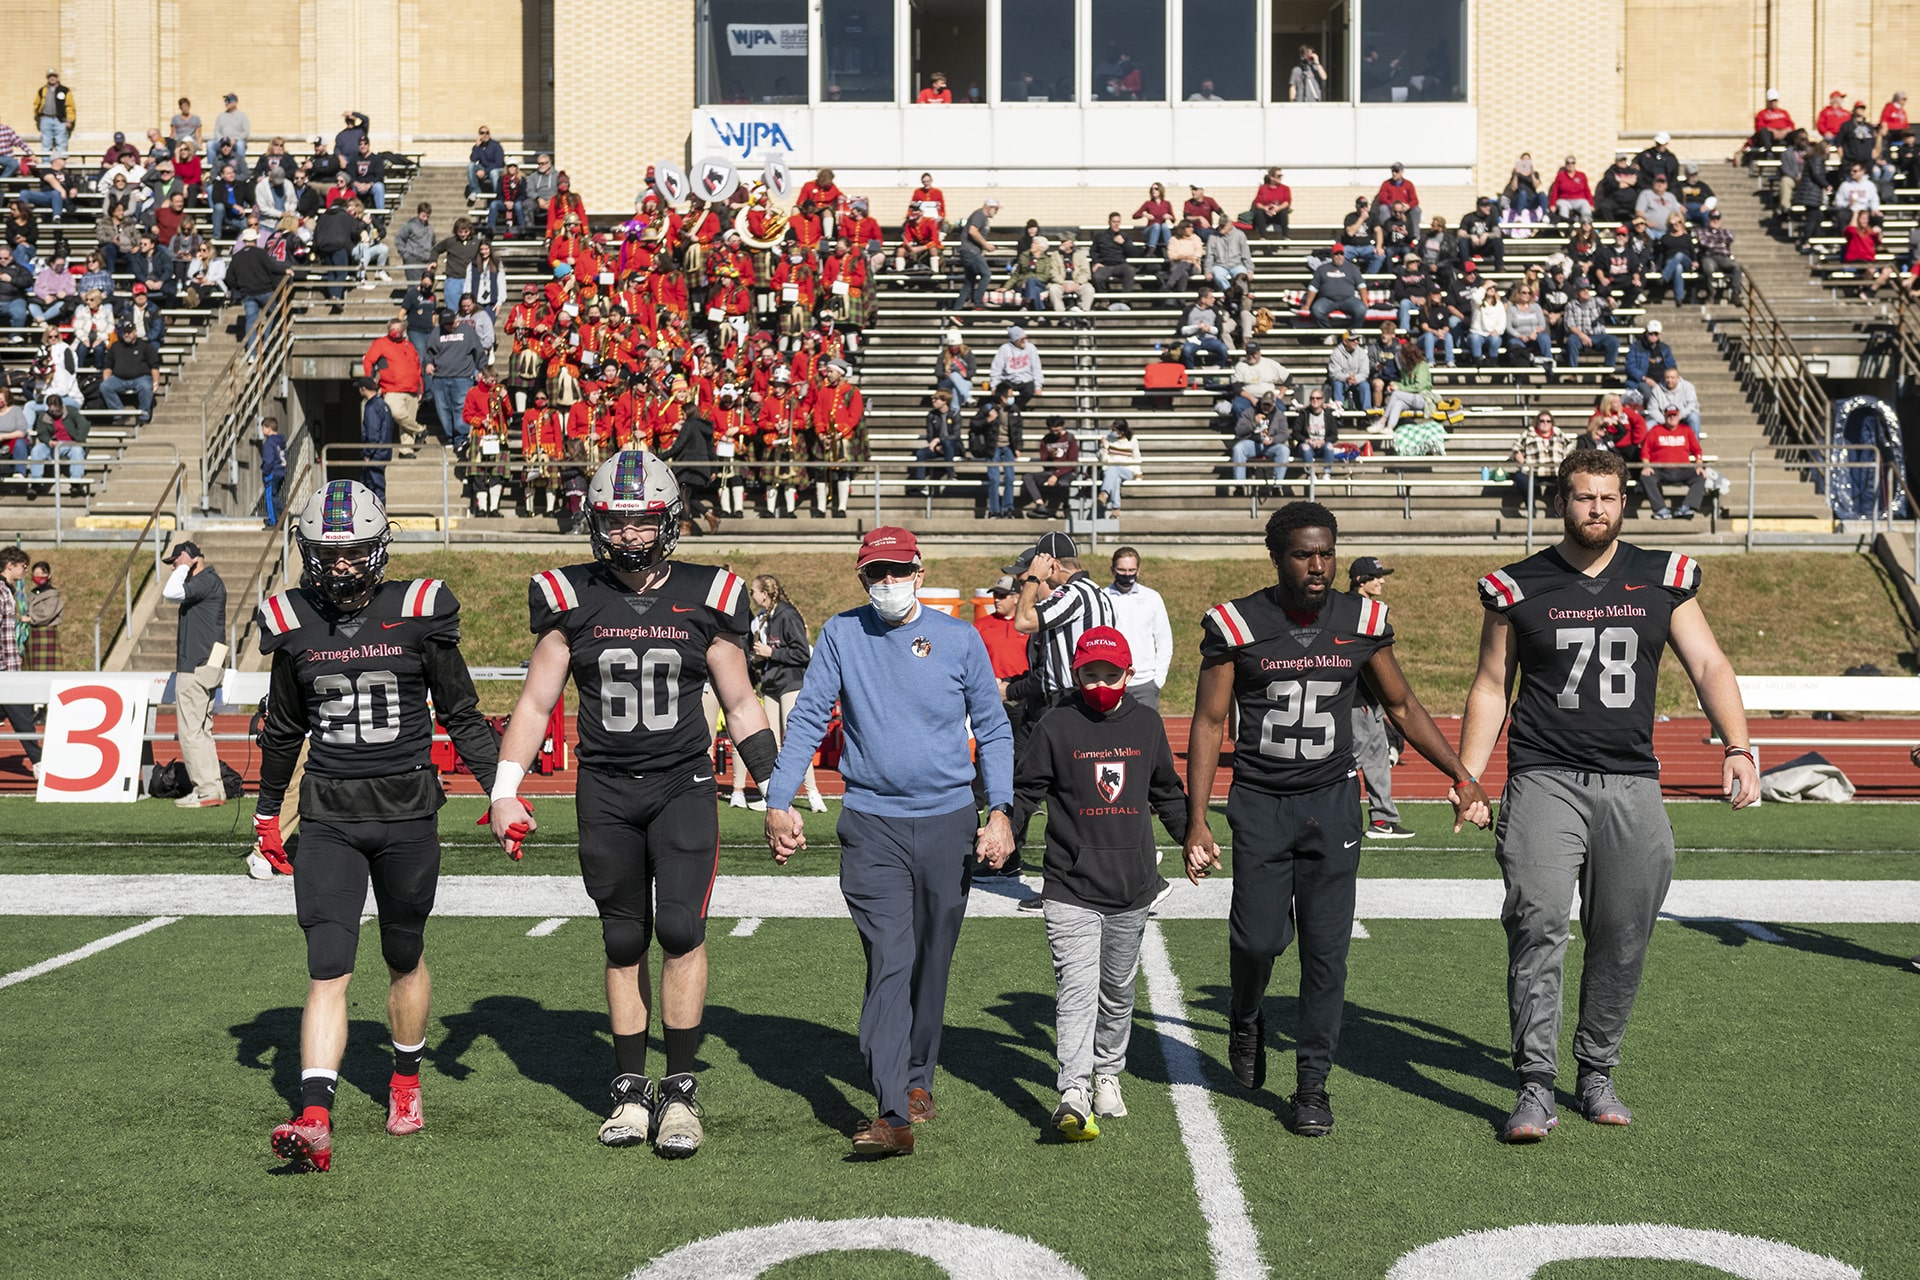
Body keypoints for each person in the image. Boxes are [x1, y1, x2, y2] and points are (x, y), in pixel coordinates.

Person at [1459, 449, 1758, 1143]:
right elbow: (1488, 684)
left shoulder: (1664, 577)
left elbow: (1709, 662)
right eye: (1585, 497)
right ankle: (1534, 1083)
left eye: (1610, 498)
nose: (1597, 509)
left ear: (1625, 501)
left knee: (1623, 932)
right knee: (1536, 921)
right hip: (1544, 776)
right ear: (1561, 500)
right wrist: (1471, 776)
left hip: (1632, 779)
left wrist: (1739, 746)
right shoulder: (1517, 585)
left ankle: (1594, 1069)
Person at [489, 451, 776, 1160]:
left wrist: (777, 790)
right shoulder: (567, 594)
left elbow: (740, 703)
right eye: (615, 523)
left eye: (642, 522)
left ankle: (678, 1090)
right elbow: (535, 701)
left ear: (670, 520)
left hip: (682, 784)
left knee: (679, 928)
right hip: (607, 789)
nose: (627, 537)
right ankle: (628, 1086)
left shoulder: (709, 595)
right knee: (622, 938)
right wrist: (503, 788)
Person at [1184, 503, 1489, 1136]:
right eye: (1303, 554)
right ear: (1276, 556)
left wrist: (1460, 777)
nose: (1318, 565)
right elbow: (1211, 722)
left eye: (1326, 552)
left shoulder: (1364, 620)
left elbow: (1402, 706)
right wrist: (1197, 820)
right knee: (1258, 939)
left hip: (1331, 802)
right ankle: (1245, 1014)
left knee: (1328, 953)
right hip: (1263, 803)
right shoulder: (1235, 622)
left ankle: (1312, 1085)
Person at [252, 480, 498, 1172]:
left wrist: (502, 790)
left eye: (354, 552)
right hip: (329, 816)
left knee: (402, 952)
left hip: (407, 814)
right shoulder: (293, 619)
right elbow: (283, 731)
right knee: (326, 966)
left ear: (379, 548)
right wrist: (269, 813)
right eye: (328, 554)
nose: (340, 567)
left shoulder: (418, 611)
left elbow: (464, 714)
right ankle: (316, 1114)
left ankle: (405, 1079)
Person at [762, 526, 1015, 1157]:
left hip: (950, 821)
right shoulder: (843, 634)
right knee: (890, 959)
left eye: (898, 571)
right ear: (862, 580)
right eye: (876, 574)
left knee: (931, 960)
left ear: (920, 573)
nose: (888, 583)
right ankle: (892, 1108)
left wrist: (1002, 811)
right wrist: (778, 799)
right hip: (870, 823)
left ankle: (919, 1074)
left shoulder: (959, 638)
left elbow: (995, 728)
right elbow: (808, 719)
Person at [1013, 626, 1189, 1138]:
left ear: (1128, 675)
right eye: (1090, 674)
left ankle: (1109, 1072)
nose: (1099, 683)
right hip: (1069, 882)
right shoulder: (1055, 725)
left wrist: (1191, 838)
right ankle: (1073, 1088)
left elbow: (1167, 792)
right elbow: (1026, 791)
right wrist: (1003, 829)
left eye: (1110, 674)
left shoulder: (1148, 724)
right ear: (1076, 673)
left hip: (1132, 883)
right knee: (1076, 989)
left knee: (1116, 991)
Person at [731, 574, 824, 813]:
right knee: (771, 742)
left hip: (790, 683)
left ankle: (813, 793)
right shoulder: (763, 618)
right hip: (771, 684)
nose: (752, 596)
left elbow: (802, 653)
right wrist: (758, 660)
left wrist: (771, 653)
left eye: (754, 591)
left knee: (794, 739)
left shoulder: (786, 615)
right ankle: (775, 796)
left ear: (765, 593)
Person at [1335, 556, 1410, 840]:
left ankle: (1383, 820)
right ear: (1359, 580)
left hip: (1370, 701)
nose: (1382, 580)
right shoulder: (1352, 611)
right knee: (1350, 761)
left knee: (1378, 759)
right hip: (1357, 700)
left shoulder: (1368, 610)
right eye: (1376, 576)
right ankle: (1336, 814)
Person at [161, 541, 227, 808]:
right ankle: (214, 788)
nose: (174, 567)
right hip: (207, 664)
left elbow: (171, 592)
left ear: (189, 558)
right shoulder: (210, 582)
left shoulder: (204, 580)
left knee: (191, 732)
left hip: (196, 666)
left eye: (175, 561)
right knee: (202, 731)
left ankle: (206, 790)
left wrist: (185, 564)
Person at [1103, 547, 1171, 711]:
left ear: (1138, 570)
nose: (1127, 574)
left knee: (1145, 735)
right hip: (1112, 681)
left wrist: (1158, 679)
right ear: (1113, 570)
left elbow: (1164, 640)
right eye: (1122, 570)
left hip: (1145, 684)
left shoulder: (1152, 598)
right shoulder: (1102, 597)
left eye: (1131, 570)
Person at [0, 549, 43, 776]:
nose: (25, 570)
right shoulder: (1, 591)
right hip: (4, 669)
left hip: (9, 665)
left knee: (17, 712)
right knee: (23, 716)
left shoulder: (8, 590)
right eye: (23, 566)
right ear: (10, 565)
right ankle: (39, 763)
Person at [363, 314, 426, 456]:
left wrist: (420, 387)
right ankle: (420, 430)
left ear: (403, 330)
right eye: (393, 328)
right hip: (392, 388)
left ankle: (406, 450)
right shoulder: (380, 343)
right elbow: (368, 361)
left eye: (399, 328)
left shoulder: (409, 346)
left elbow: (417, 368)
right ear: (388, 329)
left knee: (408, 419)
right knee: (397, 413)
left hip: (412, 388)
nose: (396, 331)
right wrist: (370, 379)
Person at [1508, 409, 1572, 514]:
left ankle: (1559, 510)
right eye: (1542, 421)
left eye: (1548, 421)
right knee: (1521, 478)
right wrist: (1523, 462)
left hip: (1555, 471)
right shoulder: (1528, 434)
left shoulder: (1558, 433)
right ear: (1537, 422)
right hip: (1533, 471)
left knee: (1567, 480)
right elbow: (1516, 449)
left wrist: (1565, 458)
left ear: (1552, 423)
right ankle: (1531, 507)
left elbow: (1570, 446)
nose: (1545, 423)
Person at [1021, 416, 1080, 519]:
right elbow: (1044, 461)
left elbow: (1072, 462)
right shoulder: (1046, 440)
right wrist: (1050, 456)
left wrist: (1056, 475)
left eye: (1057, 430)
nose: (1055, 433)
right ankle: (1040, 505)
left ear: (1062, 426)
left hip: (1067, 471)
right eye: (1052, 430)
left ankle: (1065, 508)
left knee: (1063, 483)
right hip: (1051, 471)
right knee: (1028, 477)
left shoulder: (1070, 438)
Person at [1305, 245, 1366, 326]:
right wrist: (1307, 305)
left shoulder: (1352, 268)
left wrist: (1365, 302)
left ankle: (1352, 334)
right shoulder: (1322, 269)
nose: (1339, 256)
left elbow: (1361, 286)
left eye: (1341, 254)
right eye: (1336, 254)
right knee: (1316, 310)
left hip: (1348, 299)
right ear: (1332, 255)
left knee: (1361, 309)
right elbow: (1313, 288)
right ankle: (1328, 334)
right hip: (1327, 300)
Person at [356, 376, 394, 505]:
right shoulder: (383, 404)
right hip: (383, 452)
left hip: (375, 454)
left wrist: (368, 452)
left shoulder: (372, 406)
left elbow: (372, 433)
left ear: (363, 389)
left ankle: (378, 517)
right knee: (375, 486)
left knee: (373, 488)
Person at [956, 197, 999, 310]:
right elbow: (972, 231)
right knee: (986, 274)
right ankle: (978, 301)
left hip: (970, 251)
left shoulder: (982, 217)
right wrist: (986, 245)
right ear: (990, 207)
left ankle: (956, 311)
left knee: (969, 282)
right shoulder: (980, 215)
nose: (996, 212)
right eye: (996, 209)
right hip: (971, 251)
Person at [1096, 418, 1141, 513]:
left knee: (1113, 469)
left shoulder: (1132, 440)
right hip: (1111, 470)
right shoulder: (1108, 438)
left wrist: (1138, 473)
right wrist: (1104, 447)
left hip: (1127, 469)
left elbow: (1136, 457)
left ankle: (1104, 493)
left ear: (1122, 432)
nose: (1112, 432)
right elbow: (1104, 460)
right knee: (1116, 479)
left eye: (1114, 431)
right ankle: (1116, 508)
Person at [260, 418, 288, 529]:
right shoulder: (280, 441)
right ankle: (281, 516)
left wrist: (265, 472)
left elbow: (268, 460)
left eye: (263, 427)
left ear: (268, 428)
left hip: (272, 472)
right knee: (274, 495)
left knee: (270, 496)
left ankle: (274, 520)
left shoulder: (269, 443)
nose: (262, 430)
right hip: (281, 470)